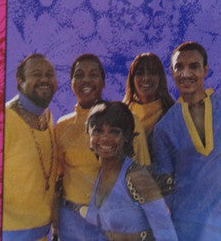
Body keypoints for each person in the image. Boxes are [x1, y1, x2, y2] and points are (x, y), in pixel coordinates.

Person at [55, 54, 151, 240]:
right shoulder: (62, 127)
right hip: (72, 222)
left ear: (104, 81)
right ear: (72, 82)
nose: (86, 80)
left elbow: (144, 173)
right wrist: (56, 225)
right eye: (79, 75)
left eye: (93, 74)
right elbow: (57, 180)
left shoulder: (128, 120)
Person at [151, 42, 221, 241]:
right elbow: (165, 184)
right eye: (179, 67)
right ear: (172, 72)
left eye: (194, 66)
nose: (186, 73)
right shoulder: (164, 128)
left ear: (206, 70)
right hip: (187, 227)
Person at [83, 102, 178, 241]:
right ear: (88, 135)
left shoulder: (136, 176)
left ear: (126, 136)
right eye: (98, 131)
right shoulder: (101, 174)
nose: (105, 138)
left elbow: (166, 232)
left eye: (114, 131)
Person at [3, 53, 59, 240]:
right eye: (36, 74)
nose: (44, 79)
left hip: (42, 232)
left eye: (49, 74)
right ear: (20, 81)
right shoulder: (4, 119)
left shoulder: (48, 116)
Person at [123, 53, 175, 138]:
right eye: (140, 73)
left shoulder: (173, 114)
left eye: (152, 73)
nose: (146, 78)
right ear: (132, 79)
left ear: (160, 78)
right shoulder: (122, 112)